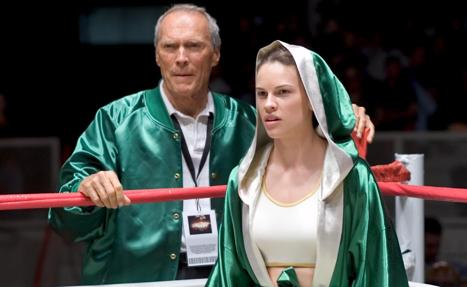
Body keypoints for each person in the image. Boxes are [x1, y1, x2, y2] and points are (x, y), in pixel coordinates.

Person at [48, 4, 375, 285]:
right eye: (169, 47)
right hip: (138, 277)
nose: (181, 59)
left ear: (215, 54)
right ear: (157, 56)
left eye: (193, 46)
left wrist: (346, 118)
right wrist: (87, 188)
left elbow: (309, 146)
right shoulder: (115, 120)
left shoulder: (248, 122)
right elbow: (64, 221)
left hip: (230, 274)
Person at [206, 40, 407, 287]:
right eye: (262, 93)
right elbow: (230, 274)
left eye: (283, 92)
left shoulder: (350, 176)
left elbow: (376, 270)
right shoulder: (244, 179)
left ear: (313, 98)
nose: (269, 104)